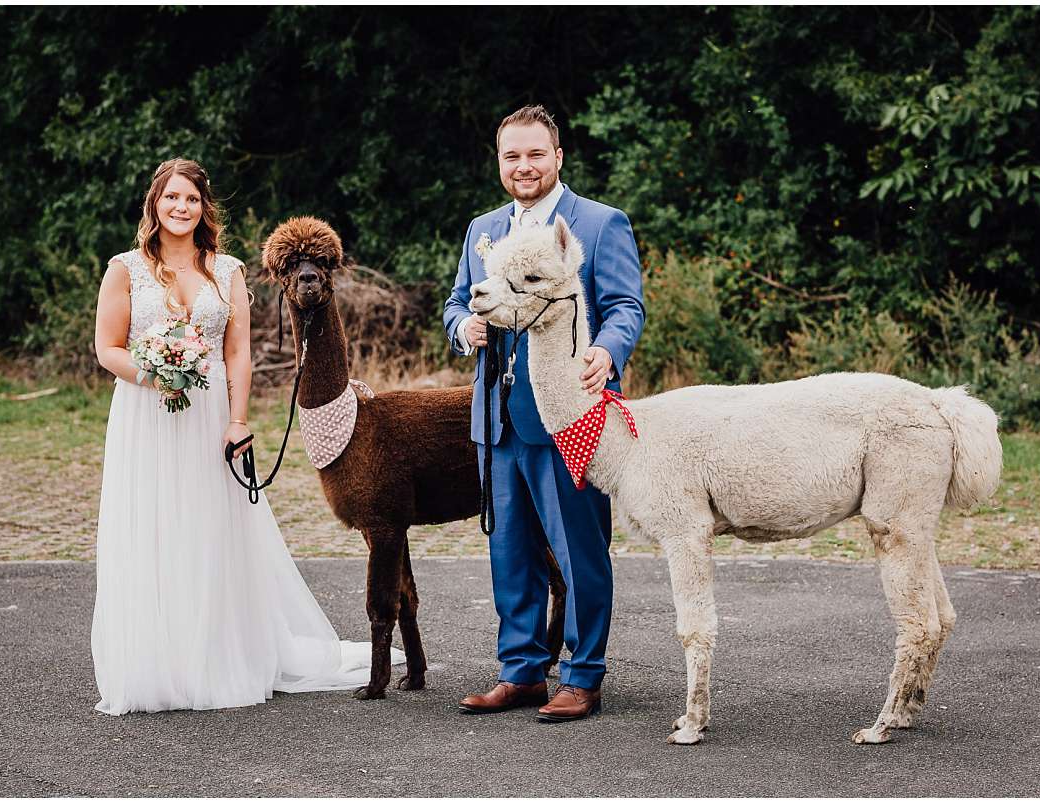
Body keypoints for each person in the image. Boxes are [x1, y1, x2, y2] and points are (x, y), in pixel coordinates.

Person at [91, 158, 398, 714]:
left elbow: (236, 353)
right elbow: (107, 348)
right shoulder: (125, 268)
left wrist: (237, 419)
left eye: (191, 199)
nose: (180, 208)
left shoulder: (225, 270)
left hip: (209, 411)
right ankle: (158, 662)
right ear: (154, 204)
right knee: (154, 525)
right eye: (171, 198)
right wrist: (154, 373)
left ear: (204, 207)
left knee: (210, 528)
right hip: (144, 414)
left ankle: (216, 657)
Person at [443, 106, 645, 722]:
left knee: (578, 546)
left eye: (535, 154)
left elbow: (625, 306)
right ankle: (523, 670)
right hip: (496, 416)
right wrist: (464, 327)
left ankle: (582, 675)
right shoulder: (483, 227)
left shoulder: (599, 223)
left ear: (558, 156)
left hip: (569, 416)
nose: (523, 166)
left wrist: (607, 353)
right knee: (510, 550)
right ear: (499, 162)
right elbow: (454, 302)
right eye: (511, 156)